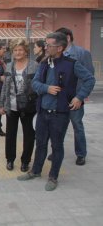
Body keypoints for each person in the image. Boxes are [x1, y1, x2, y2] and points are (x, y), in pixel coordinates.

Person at [17, 32, 95, 191]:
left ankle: (53, 177)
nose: (45, 47)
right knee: (40, 143)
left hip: (60, 113)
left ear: (59, 48)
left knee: (57, 146)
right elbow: (35, 83)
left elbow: (89, 79)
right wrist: (47, 88)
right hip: (43, 111)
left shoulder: (71, 64)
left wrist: (79, 97)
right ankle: (35, 171)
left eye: (48, 45)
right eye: (45, 44)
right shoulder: (44, 63)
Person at [48, 27, 95, 166]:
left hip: (75, 99)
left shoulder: (82, 53)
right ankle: (56, 151)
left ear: (67, 38)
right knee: (58, 126)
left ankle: (81, 154)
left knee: (77, 125)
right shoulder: (54, 55)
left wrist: (81, 96)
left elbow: (89, 77)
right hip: (58, 99)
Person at [0, 38, 38, 172]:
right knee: (10, 135)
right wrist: (2, 105)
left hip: (28, 107)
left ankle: (25, 161)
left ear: (26, 51)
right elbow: (5, 87)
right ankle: (10, 160)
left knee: (29, 135)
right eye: (15, 50)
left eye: (20, 49)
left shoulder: (34, 65)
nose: (18, 52)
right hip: (12, 106)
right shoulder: (9, 66)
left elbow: (38, 86)